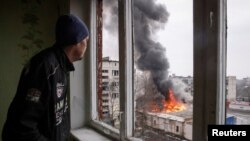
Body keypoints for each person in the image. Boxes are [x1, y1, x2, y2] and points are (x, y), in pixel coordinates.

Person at [2, 14, 89, 141]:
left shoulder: (60, 66)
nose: (87, 45)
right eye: (86, 40)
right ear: (77, 41)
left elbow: (56, 116)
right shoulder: (45, 67)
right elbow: (23, 127)